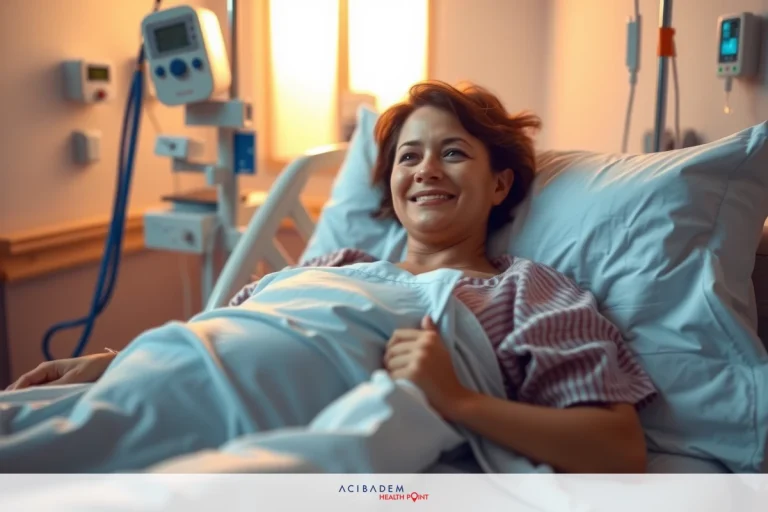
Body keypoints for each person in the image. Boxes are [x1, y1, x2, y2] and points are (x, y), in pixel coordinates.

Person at [2, 81, 656, 474]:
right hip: (136, 385)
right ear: (392, 183)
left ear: (500, 183)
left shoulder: (528, 293)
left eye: (453, 152)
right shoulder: (327, 266)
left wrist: (459, 401)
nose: (426, 169)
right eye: (409, 155)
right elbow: (219, 335)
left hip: (227, 432)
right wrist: (113, 361)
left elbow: (620, 449)